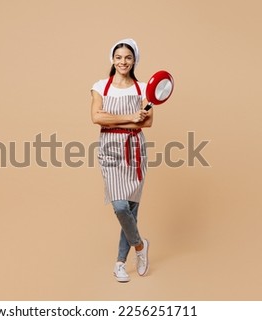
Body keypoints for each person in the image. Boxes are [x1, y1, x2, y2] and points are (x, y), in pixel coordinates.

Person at [90, 38, 152, 282]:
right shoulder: (100, 86)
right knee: (120, 207)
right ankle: (140, 246)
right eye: (118, 57)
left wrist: (113, 117)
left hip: (135, 149)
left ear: (134, 60)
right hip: (110, 149)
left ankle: (120, 263)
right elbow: (96, 118)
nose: (123, 62)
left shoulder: (143, 88)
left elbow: (147, 122)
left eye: (127, 57)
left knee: (132, 210)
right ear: (112, 60)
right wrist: (130, 118)